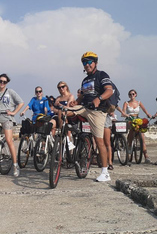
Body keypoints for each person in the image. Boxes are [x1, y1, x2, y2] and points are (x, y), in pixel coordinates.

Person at [71, 51, 114, 182]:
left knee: (99, 141)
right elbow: (83, 95)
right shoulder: (85, 80)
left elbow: (109, 90)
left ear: (95, 63)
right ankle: (66, 143)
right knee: (64, 111)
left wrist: (98, 99)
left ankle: (105, 172)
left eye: (90, 62)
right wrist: (76, 102)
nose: (87, 64)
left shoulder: (101, 75)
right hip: (84, 108)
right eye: (85, 62)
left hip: (97, 111)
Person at [122, 89, 152, 163]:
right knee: (132, 128)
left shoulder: (139, 103)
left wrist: (148, 114)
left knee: (142, 135)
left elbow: (144, 109)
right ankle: (129, 147)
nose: (131, 95)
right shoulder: (126, 103)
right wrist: (124, 114)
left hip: (137, 118)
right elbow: (123, 111)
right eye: (130, 94)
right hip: (129, 118)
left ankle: (146, 155)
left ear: (135, 94)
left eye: (133, 94)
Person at [54, 81, 76, 150]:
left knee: (61, 112)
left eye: (62, 87)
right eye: (59, 87)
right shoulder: (58, 98)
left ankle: (65, 135)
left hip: (69, 113)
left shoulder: (70, 96)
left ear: (66, 87)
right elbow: (54, 109)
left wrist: (60, 105)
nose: (61, 89)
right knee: (50, 123)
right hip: (60, 115)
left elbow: (68, 107)